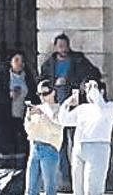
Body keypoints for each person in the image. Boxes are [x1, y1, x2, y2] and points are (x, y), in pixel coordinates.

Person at [39, 33, 102, 185]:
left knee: (76, 141)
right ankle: (65, 178)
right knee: (60, 143)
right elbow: (42, 81)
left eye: (64, 45)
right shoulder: (48, 64)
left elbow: (94, 74)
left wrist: (79, 84)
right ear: (55, 47)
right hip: (56, 107)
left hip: (75, 107)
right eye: (59, 46)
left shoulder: (78, 60)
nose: (62, 48)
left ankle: (78, 178)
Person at [59, 78, 113, 195]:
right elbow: (63, 120)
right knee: (78, 188)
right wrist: (67, 103)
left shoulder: (110, 107)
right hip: (80, 148)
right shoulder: (82, 109)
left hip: (99, 148)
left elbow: (100, 109)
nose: (90, 91)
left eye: (94, 88)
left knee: (93, 190)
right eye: (88, 89)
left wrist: (95, 90)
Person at [12, 80, 62, 195]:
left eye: (45, 93)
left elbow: (55, 129)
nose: (42, 97)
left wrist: (43, 116)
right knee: (31, 187)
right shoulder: (38, 108)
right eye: (39, 94)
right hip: (35, 146)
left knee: (49, 187)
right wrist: (28, 118)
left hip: (50, 148)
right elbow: (30, 131)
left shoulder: (59, 109)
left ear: (53, 92)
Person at [0, 50, 36, 164]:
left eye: (22, 61)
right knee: (6, 147)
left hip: (23, 116)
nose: (19, 63)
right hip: (5, 117)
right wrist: (8, 95)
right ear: (11, 62)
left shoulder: (27, 77)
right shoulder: (2, 75)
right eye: (16, 60)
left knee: (22, 146)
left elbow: (33, 94)